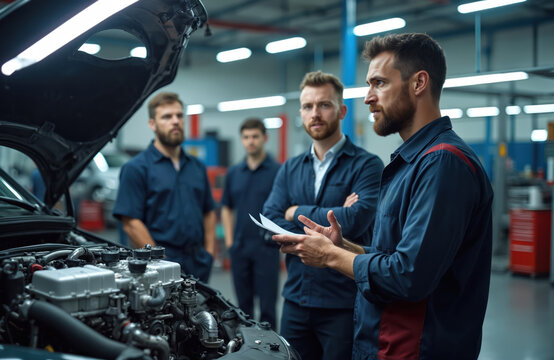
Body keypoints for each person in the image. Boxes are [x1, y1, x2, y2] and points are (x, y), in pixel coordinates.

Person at [273, 33, 494, 360]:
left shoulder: (443, 163)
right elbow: (397, 254)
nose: (368, 98)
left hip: (417, 348)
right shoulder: (411, 161)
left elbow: (408, 275)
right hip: (387, 344)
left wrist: (329, 257)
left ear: (418, 83)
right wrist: (344, 246)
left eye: (378, 83)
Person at [263, 71, 384, 360]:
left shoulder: (367, 166)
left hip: (343, 304)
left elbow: (356, 219)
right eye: (307, 106)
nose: (315, 113)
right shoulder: (290, 168)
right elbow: (268, 223)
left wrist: (294, 211)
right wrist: (334, 213)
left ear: (341, 110)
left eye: (324, 105)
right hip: (295, 302)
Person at [113, 92, 216, 282]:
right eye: (167, 117)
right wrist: (160, 262)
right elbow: (131, 222)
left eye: (179, 115)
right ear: (152, 124)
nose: (175, 121)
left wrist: (209, 253)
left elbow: (208, 211)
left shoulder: (197, 167)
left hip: (198, 261)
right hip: (163, 262)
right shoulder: (136, 168)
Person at [221, 118, 281, 329]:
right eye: (246, 137)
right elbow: (226, 207)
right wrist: (230, 242)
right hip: (240, 248)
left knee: (268, 308)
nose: (251, 141)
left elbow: (285, 208)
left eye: (255, 136)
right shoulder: (234, 173)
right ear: (242, 140)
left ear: (264, 138)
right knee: (242, 309)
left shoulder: (277, 171)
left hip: (267, 248)